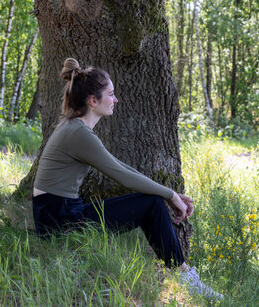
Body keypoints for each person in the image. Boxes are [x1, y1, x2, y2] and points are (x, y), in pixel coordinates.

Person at [32, 58, 223, 300]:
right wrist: (170, 195)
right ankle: (185, 277)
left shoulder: (76, 129)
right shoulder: (78, 133)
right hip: (59, 221)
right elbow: (122, 176)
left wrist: (168, 192)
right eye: (111, 94)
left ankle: (182, 274)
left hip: (60, 213)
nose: (116, 100)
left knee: (152, 201)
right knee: (152, 204)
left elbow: (122, 168)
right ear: (93, 101)